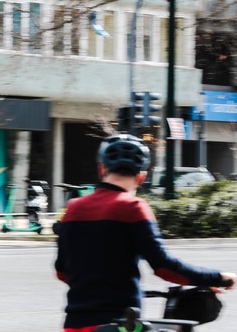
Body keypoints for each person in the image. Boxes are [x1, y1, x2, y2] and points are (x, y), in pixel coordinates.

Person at [54, 134, 236, 331]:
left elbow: (62, 271)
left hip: (75, 324)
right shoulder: (133, 207)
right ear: (142, 176)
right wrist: (217, 277)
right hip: (120, 325)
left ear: (101, 169)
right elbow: (165, 268)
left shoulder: (73, 208)